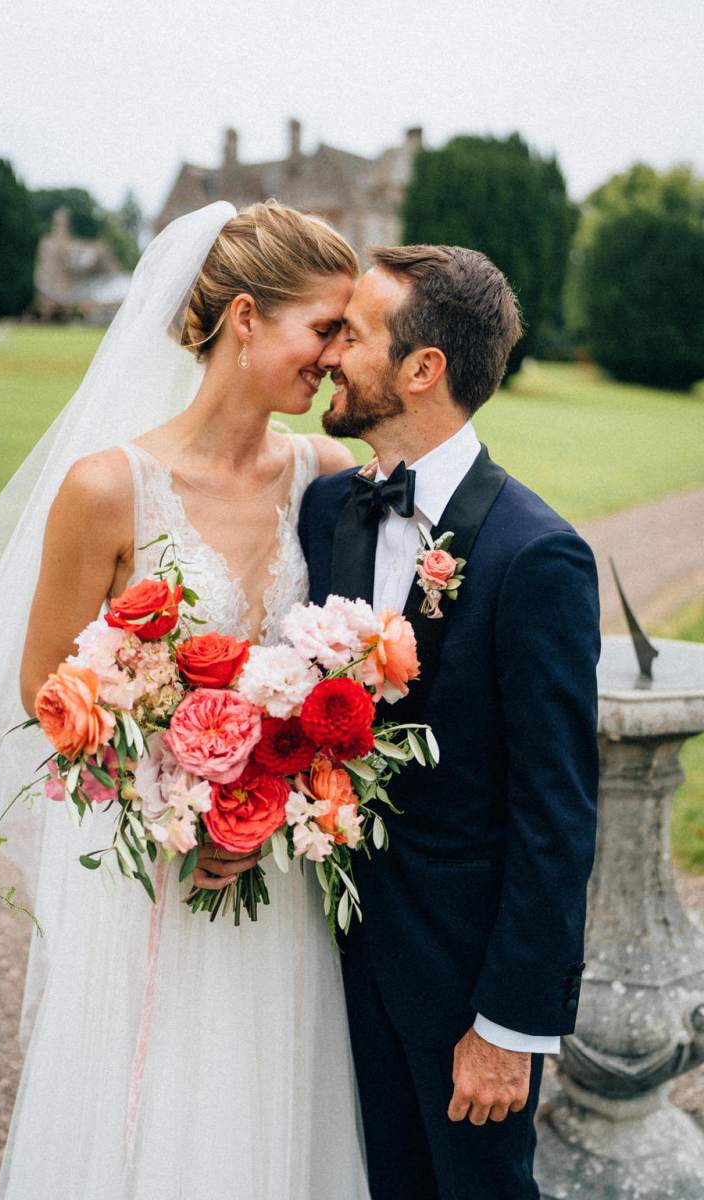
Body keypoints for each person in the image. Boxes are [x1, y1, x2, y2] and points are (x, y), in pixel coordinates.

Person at [0, 201, 371, 1198]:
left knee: (277, 1103)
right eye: (324, 328)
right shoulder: (108, 489)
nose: (337, 356)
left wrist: (288, 791)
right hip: (161, 867)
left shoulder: (323, 476)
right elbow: (46, 687)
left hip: (282, 867)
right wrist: (177, 799)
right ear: (245, 318)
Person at [297, 245, 600, 1199]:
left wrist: (508, 1029)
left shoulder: (537, 556)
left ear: (423, 368)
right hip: (334, 965)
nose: (332, 353)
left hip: (465, 994)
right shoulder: (322, 512)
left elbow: (556, 818)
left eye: (354, 332)